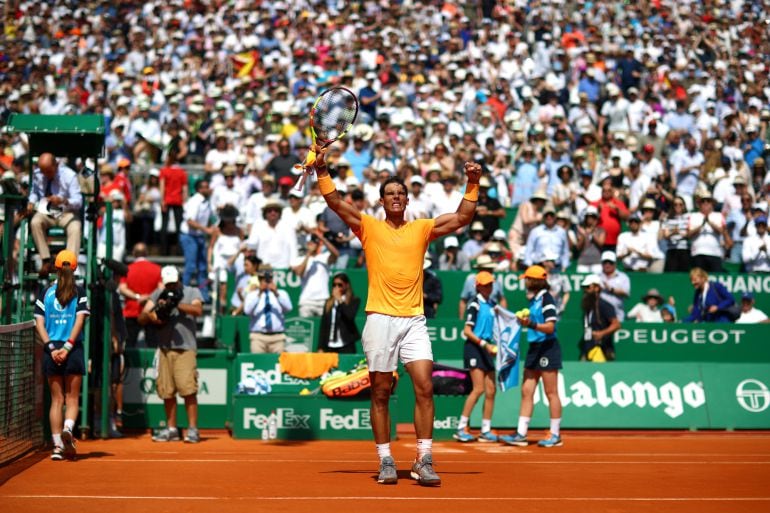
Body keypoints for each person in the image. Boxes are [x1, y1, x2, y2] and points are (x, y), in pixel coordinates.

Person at [313, 142, 482, 487]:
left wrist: (473, 182)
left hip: (414, 320)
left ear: (407, 201)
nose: (395, 197)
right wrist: (321, 169)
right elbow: (334, 203)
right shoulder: (368, 227)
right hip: (379, 319)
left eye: (400, 194)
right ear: (381, 200)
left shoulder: (420, 229)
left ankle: (424, 458)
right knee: (380, 391)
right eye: (389, 193)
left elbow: (463, 217)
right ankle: (385, 458)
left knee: (424, 387)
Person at [500, 265, 563, 448]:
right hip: (535, 348)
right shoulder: (534, 300)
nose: (525, 282)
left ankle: (555, 434)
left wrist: (531, 324)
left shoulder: (546, 299)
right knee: (527, 391)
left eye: (526, 279)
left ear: (533, 281)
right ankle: (521, 433)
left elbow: (550, 327)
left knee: (551, 393)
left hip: (548, 348)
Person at [139, 265, 204, 443]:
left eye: (173, 284)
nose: (171, 287)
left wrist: (177, 304)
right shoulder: (158, 294)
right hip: (165, 349)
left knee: (188, 389)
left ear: (179, 279)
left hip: (185, 348)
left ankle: (192, 429)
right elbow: (142, 317)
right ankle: (172, 429)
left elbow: (198, 310)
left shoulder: (192, 291)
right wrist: (155, 314)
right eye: (168, 285)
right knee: (167, 391)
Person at [35, 250, 89, 460]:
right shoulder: (80, 291)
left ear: (56, 268)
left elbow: (39, 323)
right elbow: (80, 320)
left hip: (51, 349)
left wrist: (50, 347)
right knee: (72, 398)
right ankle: (68, 428)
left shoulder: (45, 292)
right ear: (75, 268)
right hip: (72, 348)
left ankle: (57, 446)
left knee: (56, 400)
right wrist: (67, 348)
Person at [453, 271, 499, 443]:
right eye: (486, 285)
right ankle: (461, 428)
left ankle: (485, 430)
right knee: (478, 389)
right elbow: (467, 331)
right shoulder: (474, 304)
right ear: (478, 286)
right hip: (475, 348)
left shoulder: (493, 304)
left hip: (488, 348)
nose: (489, 287)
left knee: (491, 390)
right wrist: (484, 344)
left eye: (491, 284)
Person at [27, 153, 83, 278]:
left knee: (75, 227)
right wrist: (31, 202)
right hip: (46, 212)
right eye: (43, 171)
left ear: (56, 165)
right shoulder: (38, 175)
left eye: (48, 171)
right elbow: (34, 192)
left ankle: (68, 265)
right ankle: (46, 260)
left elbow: (78, 200)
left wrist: (63, 200)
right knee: (35, 222)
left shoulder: (69, 175)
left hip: (66, 212)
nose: (45, 174)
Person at [119, 243, 162, 348]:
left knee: (130, 342)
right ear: (146, 253)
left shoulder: (128, 269)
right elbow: (161, 288)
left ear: (133, 253)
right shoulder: (157, 269)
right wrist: (149, 297)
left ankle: (129, 364)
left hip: (132, 310)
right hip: (151, 310)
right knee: (153, 343)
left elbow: (122, 288)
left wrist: (138, 297)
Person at [243, 265, 293, 353]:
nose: (266, 281)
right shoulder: (252, 295)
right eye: (263, 279)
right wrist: (259, 294)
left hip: (277, 337)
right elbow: (247, 311)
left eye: (268, 278)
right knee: (257, 362)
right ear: (259, 279)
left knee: (278, 364)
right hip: (258, 337)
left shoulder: (281, 293)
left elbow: (289, 308)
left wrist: (276, 293)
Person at [180, 178, 215, 303]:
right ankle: (182, 294)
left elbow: (209, 219)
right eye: (205, 187)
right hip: (189, 236)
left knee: (202, 267)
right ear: (199, 189)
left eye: (208, 186)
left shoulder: (207, 201)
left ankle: (204, 295)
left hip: (199, 236)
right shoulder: (195, 201)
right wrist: (206, 230)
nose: (208, 189)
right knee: (191, 266)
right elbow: (190, 222)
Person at [291, 232, 339, 317]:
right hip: (306, 301)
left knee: (323, 329)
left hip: (323, 300)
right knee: (306, 328)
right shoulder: (299, 259)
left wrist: (323, 239)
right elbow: (299, 273)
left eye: (315, 242)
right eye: (310, 243)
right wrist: (308, 254)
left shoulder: (324, 257)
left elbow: (336, 254)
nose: (312, 245)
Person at [578, 274, 621, 361]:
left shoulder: (604, 305)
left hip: (601, 349)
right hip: (588, 348)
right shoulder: (588, 306)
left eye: (588, 287)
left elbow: (616, 325)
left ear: (597, 288)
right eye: (584, 287)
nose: (585, 290)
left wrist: (601, 333)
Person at [317, 272, 361, 353]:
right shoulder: (328, 302)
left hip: (345, 344)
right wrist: (320, 346)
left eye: (340, 285)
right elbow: (324, 325)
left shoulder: (354, 300)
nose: (337, 287)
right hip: (329, 345)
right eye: (334, 285)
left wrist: (340, 300)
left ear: (346, 285)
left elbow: (350, 316)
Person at [598, 251, 630, 322]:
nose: (607, 265)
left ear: (615, 264)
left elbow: (626, 293)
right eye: (605, 262)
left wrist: (611, 289)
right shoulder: (596, 277)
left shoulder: (623, 277)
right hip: (600, 316)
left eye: (610, 263)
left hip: (617, 314)